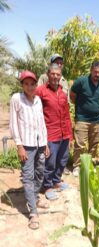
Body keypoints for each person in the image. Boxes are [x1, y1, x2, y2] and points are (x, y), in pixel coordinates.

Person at [10, 71, 49, 230]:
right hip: (26, 145)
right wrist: (19, 146)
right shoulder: (16, 99)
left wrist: (45, 143)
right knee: (28, 177)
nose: (30, 86)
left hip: (40, 144)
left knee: (40, 174)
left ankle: (33, 197)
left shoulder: (38, 100)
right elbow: (13, 124)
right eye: (26, 83)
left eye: (32, 84)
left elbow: (41, 123)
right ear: (22, 85)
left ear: (35, 85)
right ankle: (33, 212)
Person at [36, 64, 73, 200]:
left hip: (64, 133)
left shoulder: (62, 93)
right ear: (48, 74)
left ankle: (57, 181)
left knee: (62, 160)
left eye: (58, 74)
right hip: (50, 134)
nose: (55, 77)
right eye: (53, 74)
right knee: (50, 162)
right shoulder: (40, 91)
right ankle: (47, 185)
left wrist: (70, 135)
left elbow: (67, 115)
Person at [70, 61, 99, 176]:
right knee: (80, 144)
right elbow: (73, 96)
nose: (97, 74)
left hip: (97, 120)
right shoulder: (81, 81)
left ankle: (89, 164)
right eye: (95, 72)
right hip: (82, 118)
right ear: (91, 70)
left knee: (94, 144)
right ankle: (77, 166)